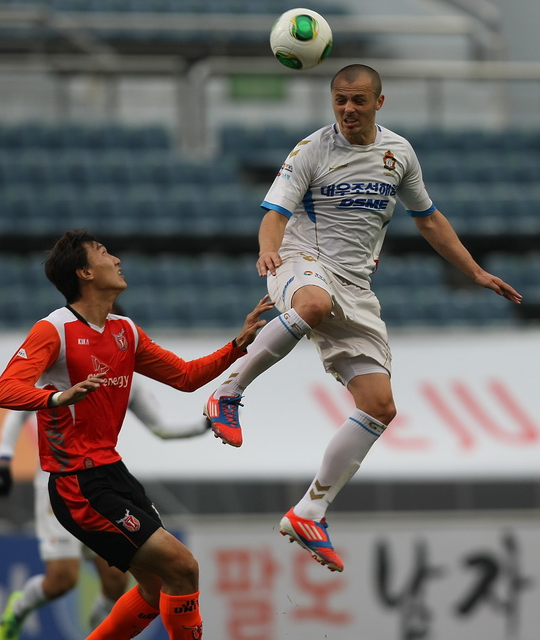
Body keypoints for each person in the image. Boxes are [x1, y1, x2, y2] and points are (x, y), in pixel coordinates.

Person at [204, 63, 522, 573]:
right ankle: (227, 392)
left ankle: (310, 511)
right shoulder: (311, 150)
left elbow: (429, 219)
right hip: (300, 261)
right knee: (312, 305)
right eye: (340, 100)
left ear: (379, 102)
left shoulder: (399, 154)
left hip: (355, 286)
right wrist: (267, 250)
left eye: (357, 100)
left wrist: (476, 272)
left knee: (380, 405)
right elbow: (274, 214)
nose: (348, 109)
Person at [0, 228, 274, 640]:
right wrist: (57, 398)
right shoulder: (54, 329)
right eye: (104, 252)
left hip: (114, 472)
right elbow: (4, 390)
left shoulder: (125, 330)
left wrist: (236, 344)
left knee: (156, 586)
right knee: (183, 567)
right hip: (77, 483)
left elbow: (185, 377)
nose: (117, 259)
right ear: (85, 272)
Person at [0, 375, 211, 640]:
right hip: (60, 486)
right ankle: (18, 609)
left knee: (118, 582)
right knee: (62, 581)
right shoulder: (62, 365)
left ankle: (95, 631)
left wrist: (207, 424)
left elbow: (161, 427)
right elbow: (18, 409)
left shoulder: (128, 377)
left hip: (102, 487)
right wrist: (4, 458)